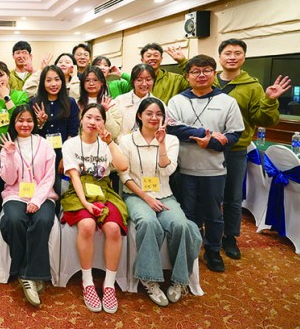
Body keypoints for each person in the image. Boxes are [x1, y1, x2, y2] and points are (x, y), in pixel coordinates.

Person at [118, 98, 202, 306]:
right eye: (149, 113)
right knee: (148, 222)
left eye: (158, 114)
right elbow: (124, 175)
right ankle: (149, 279)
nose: (154, 118)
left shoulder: (171, 140)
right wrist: (146, 197)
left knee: (181, 225)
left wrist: (161, 144)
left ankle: (179, 279)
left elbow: (168, 171)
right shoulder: (126, 141)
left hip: (164, 194)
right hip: (136, 195)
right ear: (139, 115)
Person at [213, 39, 290, 260]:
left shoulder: (252, 86)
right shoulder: (209, 81)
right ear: (220, 57)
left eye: (237, 53)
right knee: (207, 194)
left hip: (236, 148)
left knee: (232, 196)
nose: (232, 57)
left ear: (244, 57)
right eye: (228, 53)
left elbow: (264, 119)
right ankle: (206, 233)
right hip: (206, 147)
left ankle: (229, 236)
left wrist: (269, 100)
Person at [166, 54, 244, 273]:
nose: (201, 75)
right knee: (188, 214)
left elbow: (235, 134)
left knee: (214, 214)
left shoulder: (227, 101)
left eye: (206, 70)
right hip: (184, 168)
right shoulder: (177, 101)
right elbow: (173, 128)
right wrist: (204, 135)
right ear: (187, 76)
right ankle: (188, 252)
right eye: (195, 72)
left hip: (214, 169)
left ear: (214, 73)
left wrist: (213, 143)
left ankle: (212, 251)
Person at [61, 103, 129, 314]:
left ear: (104, 123)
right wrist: (85, 203)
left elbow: (123, 166)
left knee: (113, 229)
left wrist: (110, 143)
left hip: (103, 189)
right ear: (81, 119)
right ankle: (88, 281)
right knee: (87, 225)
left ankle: (109, 285)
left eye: (98, 119)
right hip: (78, 191)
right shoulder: (70, 144)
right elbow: (74, 177)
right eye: (89, 117)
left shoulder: (107, 144)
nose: (93, 122)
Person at [0, 105, 57, 307]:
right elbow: (8, 179)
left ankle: (26, 274)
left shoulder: (44, 144)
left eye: (29, 120)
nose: (25, 124)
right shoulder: (8, 145)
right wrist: (10, 154)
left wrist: (36, 200)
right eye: (20, 120)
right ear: (14, 122)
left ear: (35, 122)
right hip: (15, 194)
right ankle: (30, 274)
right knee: (14, 220)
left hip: (42, 195)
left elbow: (49, 177)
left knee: (42, 220)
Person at [0, 61, 29, 214]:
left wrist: (7, 98)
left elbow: (20, 118)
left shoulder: (20, 95)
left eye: (1, 75)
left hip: (17, 150)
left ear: (8, 75)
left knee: (15, 184)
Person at [30, 65, 79, 200]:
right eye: (49, 80)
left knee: (60, 189)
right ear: (42, 83)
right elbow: (30, 133)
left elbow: (73, 131)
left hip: (62, 153)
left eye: (57, 79)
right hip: (40, 154)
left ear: (62, 81)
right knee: (42, 189)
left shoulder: (70, 102)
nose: (53, 84)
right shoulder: (34, 103)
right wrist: (40, 123)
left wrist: (66, 157)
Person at [77, 66, 122, 142]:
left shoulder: (111, 103)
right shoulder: (77, 104)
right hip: (83, 144)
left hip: (105, 145)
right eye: (87, 80)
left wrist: (104, 112)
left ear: (102, 82)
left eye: (95, 80)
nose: (91, 83)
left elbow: (114, 133)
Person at [115, 63, 158, 136]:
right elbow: (115, 129)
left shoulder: (159, 104)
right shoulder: (119, 101)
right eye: (139, 80)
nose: (144, 84)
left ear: (153, 81)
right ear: (132, 81)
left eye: (148, 80)